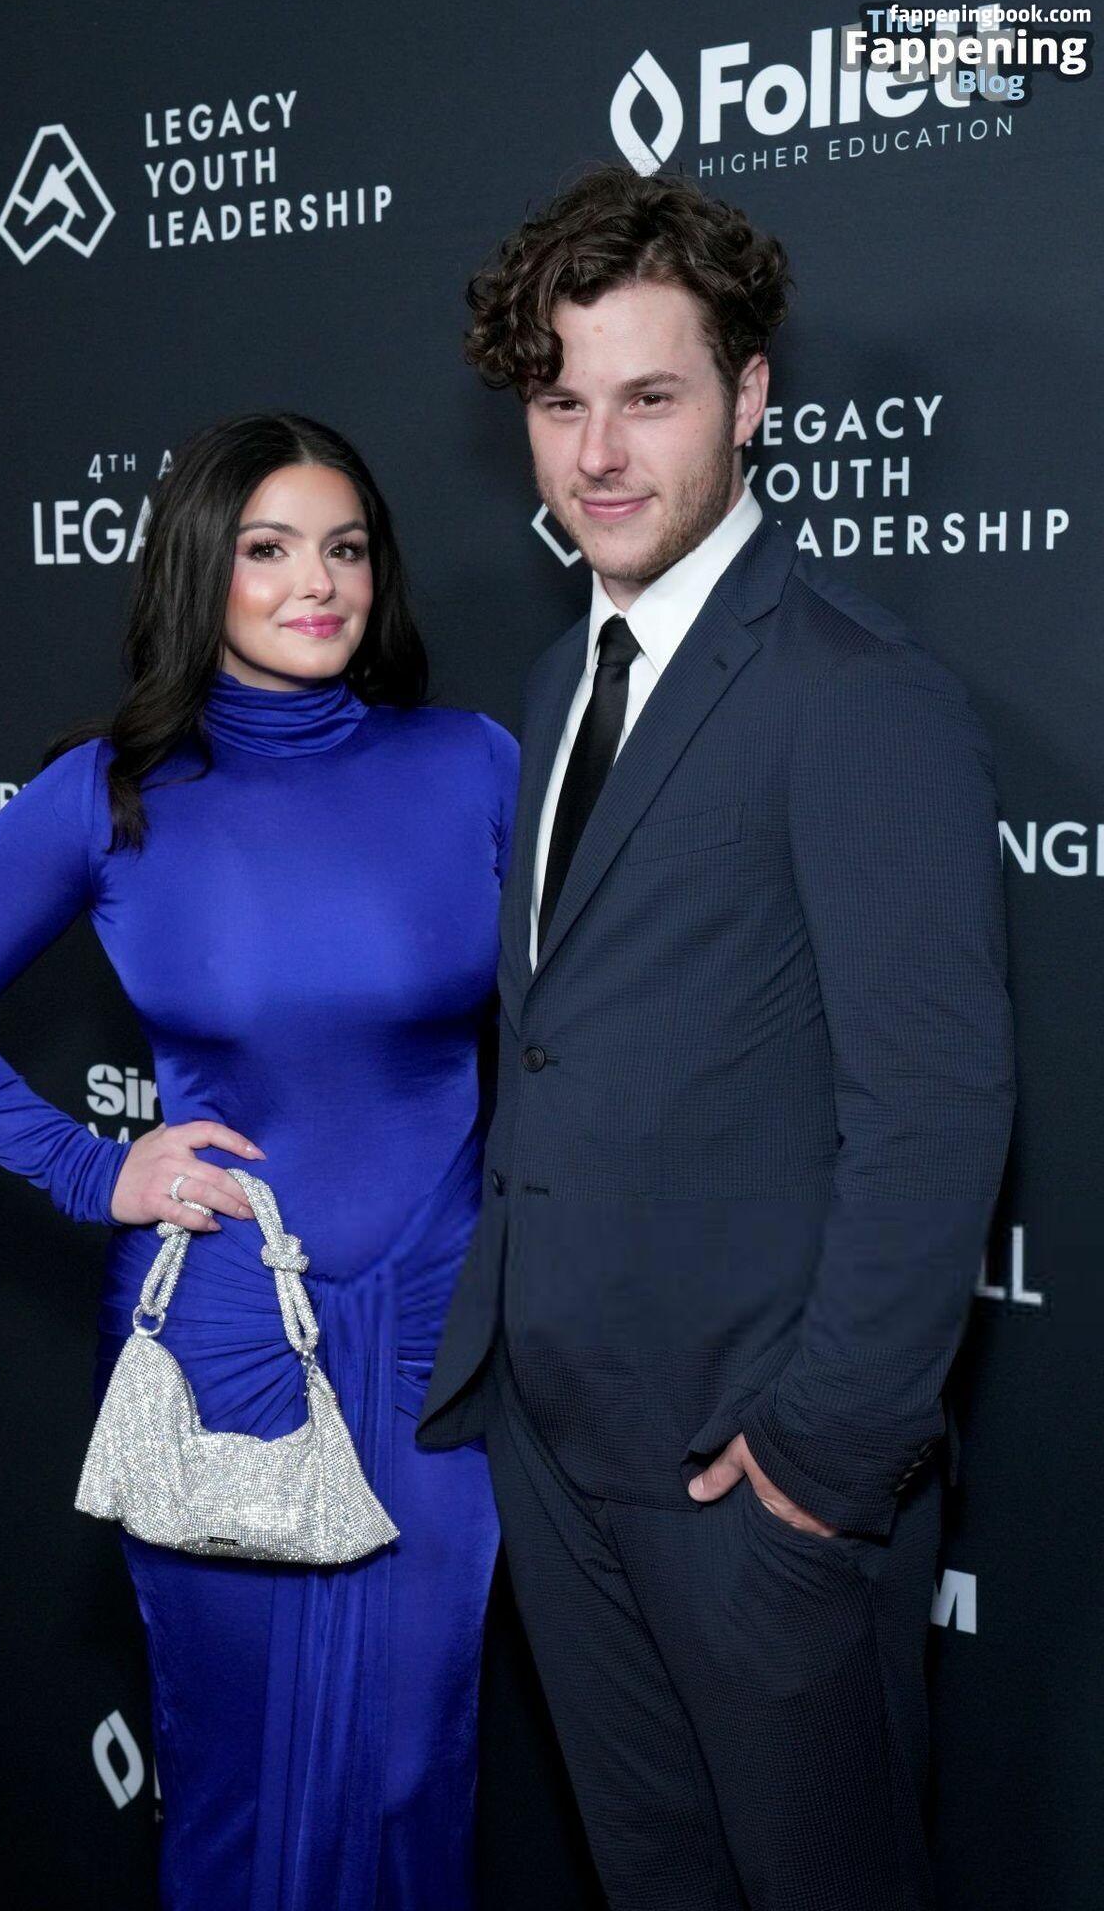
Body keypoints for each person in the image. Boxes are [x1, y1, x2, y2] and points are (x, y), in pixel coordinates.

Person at [418, 166, 1016, 1910]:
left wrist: (822, 1467)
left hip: (750, 1485)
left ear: (750, 399)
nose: (599, 454)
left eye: (651, 398)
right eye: (560, 404)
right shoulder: (562, 681)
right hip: (556, 1450)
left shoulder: (855, 692)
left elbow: (935, 1103)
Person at [0, 411, 518, 1911]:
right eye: (268, 549)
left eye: (346, 548)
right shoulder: (112, 792)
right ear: (198, 568)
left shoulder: (473, 762)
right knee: (241, 1765)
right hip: (229, 1335)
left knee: (413, 1756)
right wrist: (91, 1169)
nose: (317, 584)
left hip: (443, 1327)